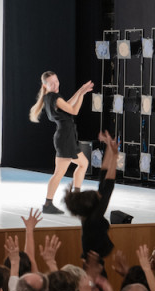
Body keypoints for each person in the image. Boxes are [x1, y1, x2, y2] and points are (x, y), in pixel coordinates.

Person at [29, 71, 93, 214]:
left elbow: (68, 104)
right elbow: (74, 110)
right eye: (51, 83)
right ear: (45, 85)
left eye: (56, 81)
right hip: (65, 139)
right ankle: (48, 204)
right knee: (59, 173)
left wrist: (79, 91)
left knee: (83, 164)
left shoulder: (49, 97)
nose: (55, 84)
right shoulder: (54, 97)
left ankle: (76, 197)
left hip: (67, 137)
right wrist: (82, 94)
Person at [63, 130, 118, 259]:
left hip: (93, 262)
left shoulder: (89, 217)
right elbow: (108, 186)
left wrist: (109, 148)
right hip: (93, 265)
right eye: (98, 196)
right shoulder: (93, 220)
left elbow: (103, 176)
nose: (100, 195)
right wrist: (115, 155)